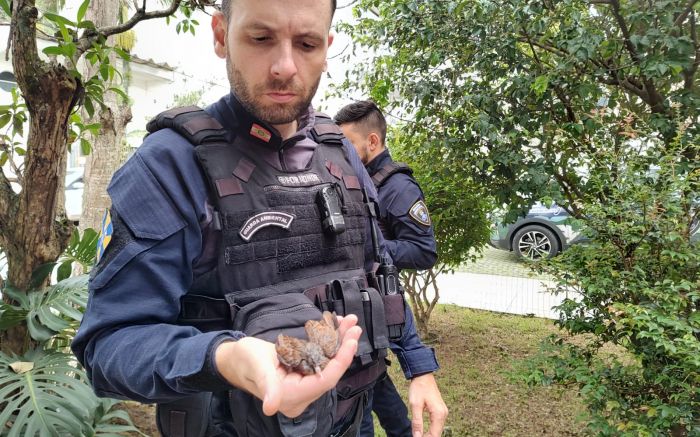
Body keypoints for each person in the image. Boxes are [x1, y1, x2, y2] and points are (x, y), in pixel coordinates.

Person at [71, 1, 447, 436]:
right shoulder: (172, 165)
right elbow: (108, 344)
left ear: (326, 47)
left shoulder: (340, 152)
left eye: (306, 43)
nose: (284, 66)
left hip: (352, 419)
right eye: (261, 38)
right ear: (220, 35)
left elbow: (379, 272)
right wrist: (224, 357)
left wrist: (419, 367)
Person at [335, 101, 438, 437]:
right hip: (357, 307)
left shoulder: (398, 187)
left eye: (348, 143)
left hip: (381, 302)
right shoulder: (357, 181)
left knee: (360, 395)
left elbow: (424, 251)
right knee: (372, 378)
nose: (342, 153)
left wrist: (372, 248)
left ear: (373, 142)